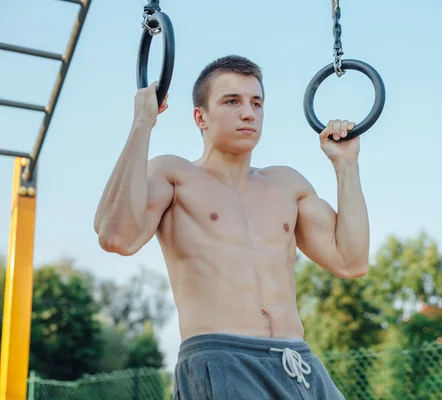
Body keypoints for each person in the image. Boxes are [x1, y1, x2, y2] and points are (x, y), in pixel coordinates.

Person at [94, 55, 370, 399]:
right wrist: (142, 125)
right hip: (222, 359)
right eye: (231, 101)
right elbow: (116, 235)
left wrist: (346, 165)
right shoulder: (174, 175)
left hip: (298, 361)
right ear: (200, 117)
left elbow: (352, 260)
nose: (248, 113)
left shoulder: (287, 184)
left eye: (256, 102)